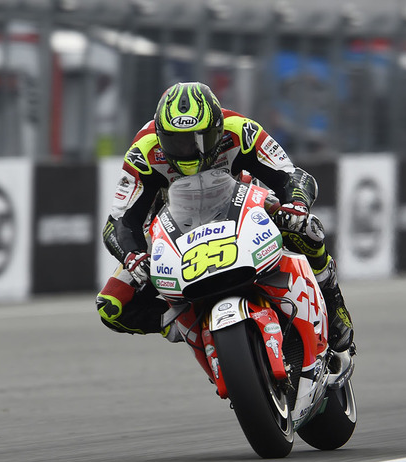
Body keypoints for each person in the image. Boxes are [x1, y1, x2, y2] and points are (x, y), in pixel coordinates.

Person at [96, 81, 354, 353]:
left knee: (306, 229)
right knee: (112, 306)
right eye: (176, 141)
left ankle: (332, 298)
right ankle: (187, 326)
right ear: (160, 136)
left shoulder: (241, 131)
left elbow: (292, 176)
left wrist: (297, 206)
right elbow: (119, 222)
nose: (188, 150)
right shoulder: (143, 152)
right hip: (172, 226)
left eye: (199, 138)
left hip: (240, 205)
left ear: (217, 128)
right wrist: (133, 256)